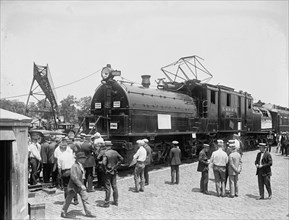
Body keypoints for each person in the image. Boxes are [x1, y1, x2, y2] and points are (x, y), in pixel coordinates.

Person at [61, 152, 94, 218]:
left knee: (85, 198)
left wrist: (82, 184)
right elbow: (74, 177)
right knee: (68, 199)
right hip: (73, 186)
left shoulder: (81, 165)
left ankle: (88, 212)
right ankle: (63, 212)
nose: (85, 159)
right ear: (79, 159)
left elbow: (82, 175)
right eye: (83, 158)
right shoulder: (74, 166)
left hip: (80, 185)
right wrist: (80, 185)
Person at [101, 141, 124, 207]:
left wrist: (105, 169)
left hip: (107, 172)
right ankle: (116, 201)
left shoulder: (105, 153)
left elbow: (103, 163)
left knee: (108, 187)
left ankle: (106, 203)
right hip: (114, 171)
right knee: (114, 186)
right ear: (110, 146)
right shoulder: (115, 152)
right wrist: (116, 166)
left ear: (105, 146)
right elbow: (121, 159)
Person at [57, 137, 78, 205]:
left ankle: (67, 200)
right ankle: (75, 199)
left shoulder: (60, 156)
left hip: (65, 172)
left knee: (66, 187)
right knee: (73, 185)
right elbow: (74, 162)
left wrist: (60, 175)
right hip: (72, 170)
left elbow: (59, 167)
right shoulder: (70, 153)